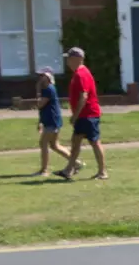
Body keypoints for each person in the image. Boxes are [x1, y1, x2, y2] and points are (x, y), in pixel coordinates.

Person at [57, 46, 107, 180]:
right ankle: (69, 170)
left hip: (88, 115)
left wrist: (75, 115)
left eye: (69, 58)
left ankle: (102, 172)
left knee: (95, 142)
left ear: (78, 59)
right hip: (83, 115)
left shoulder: (81, 74)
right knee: (75, 141)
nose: (67, 62)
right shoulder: (79, 73)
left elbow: (83, 96)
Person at [33, 68, 75, 176]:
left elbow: (40, 104)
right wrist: (40, 122)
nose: (39, 79)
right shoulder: (46, 89)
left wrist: (37, 91)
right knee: (55, 145)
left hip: (52, 120)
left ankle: (44, 170)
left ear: (47, 77)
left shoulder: (48, 89)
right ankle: (76, 162)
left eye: (41, 76)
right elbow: (42, 109)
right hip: (49, 120)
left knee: (43, 143)